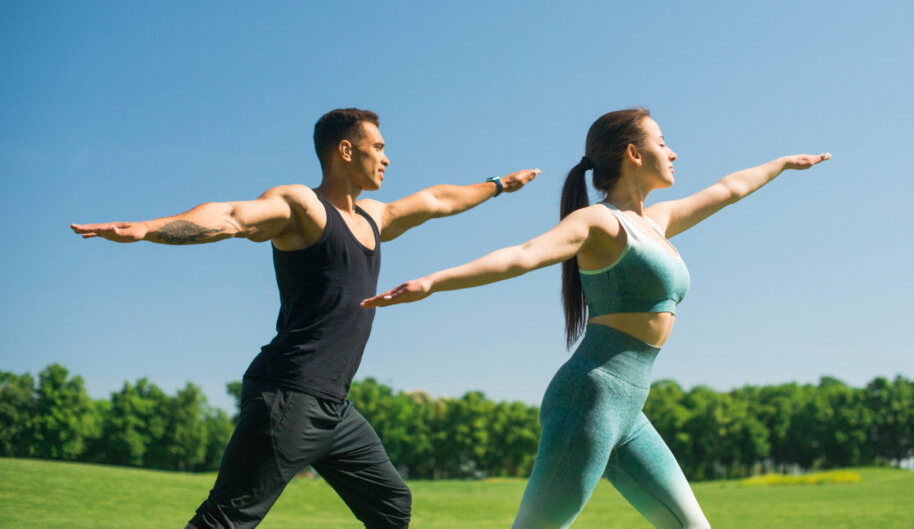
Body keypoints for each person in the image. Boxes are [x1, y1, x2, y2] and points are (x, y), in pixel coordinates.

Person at [71, 107, 540, 529]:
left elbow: (438, 200)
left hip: (334, 408)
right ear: (345, 150)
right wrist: (151, 228)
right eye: (377, 147)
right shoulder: (304, 208)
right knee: (226, 518)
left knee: (392, 505)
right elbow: (231, 216)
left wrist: (498, 185)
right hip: (290, 395)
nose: (387, 158)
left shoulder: (373, 217)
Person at [362, 108, 830, 528]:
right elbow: (523, 256)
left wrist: (783, 164)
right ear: (634, 153)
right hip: (588, 402)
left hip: (627, 410)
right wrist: (433, 282)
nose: (673, 152)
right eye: (662, 142)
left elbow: (728, 189)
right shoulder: (600, 224)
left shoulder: (656, 222)